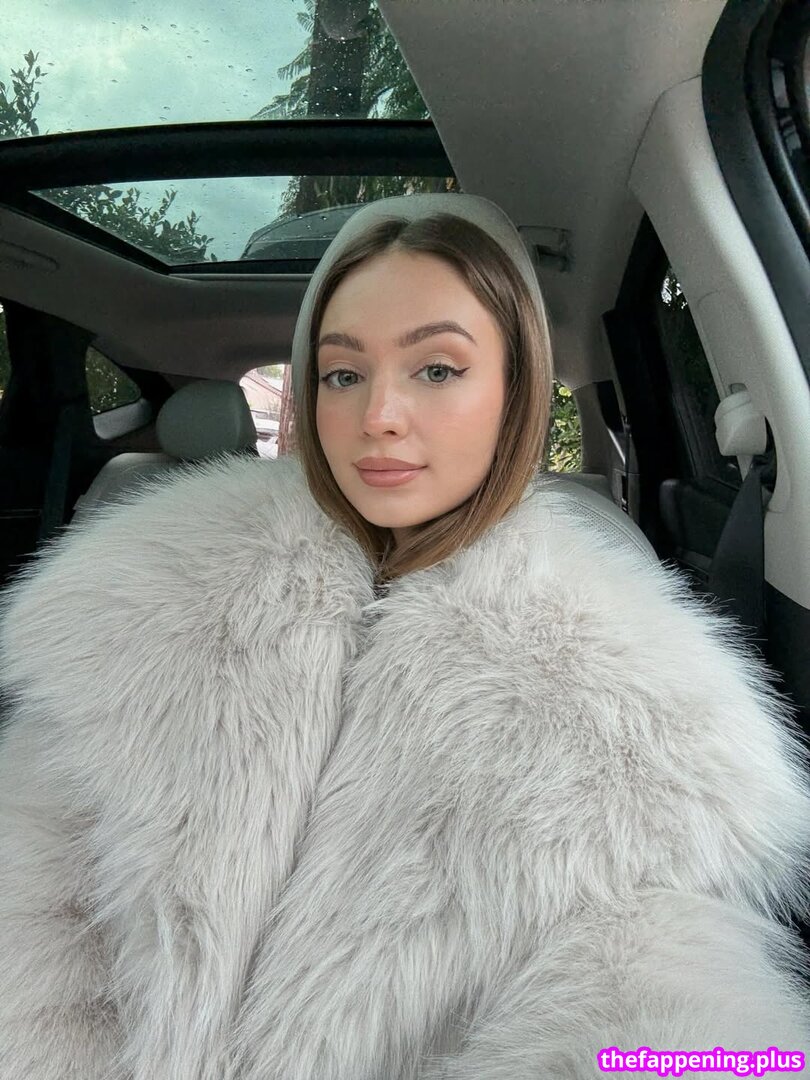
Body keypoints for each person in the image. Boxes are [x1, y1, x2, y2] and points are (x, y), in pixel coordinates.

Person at [0, 192, 809, 1080]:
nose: (379, 414)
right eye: (343, 375)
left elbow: (653, 1000)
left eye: (436, 368)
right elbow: (34, 900)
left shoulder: (641, 720)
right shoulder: (141, 603)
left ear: (517, 392)